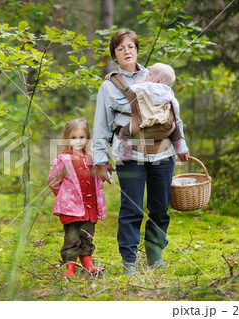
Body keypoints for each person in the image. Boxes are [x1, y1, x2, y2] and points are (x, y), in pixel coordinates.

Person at [92, 29, 190, 276]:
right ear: (114, 54)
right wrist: (101, 161)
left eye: (131, 47)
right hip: (130, 156)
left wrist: (182, 146)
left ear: (137, 50)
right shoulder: (108, 86)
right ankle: (129, 261)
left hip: (162, 154)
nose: (127, 51)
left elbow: (173, 112)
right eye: (121, 48)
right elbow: (101, 126)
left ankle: (155, 255)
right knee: (131, 208)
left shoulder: (157, 76)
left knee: (160, 207)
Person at [47, 118, 107, 277]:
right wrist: (64, 196)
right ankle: (70, 268)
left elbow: (95, 179)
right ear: (67, 139)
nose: (78, 141)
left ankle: (89, 265)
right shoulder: (62, 159)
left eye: (82, 137)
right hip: (71, 208)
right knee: (72, 237)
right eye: (74, 138)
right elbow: (53, 181)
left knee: (87, 236)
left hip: (89, 205)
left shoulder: (92, 159)